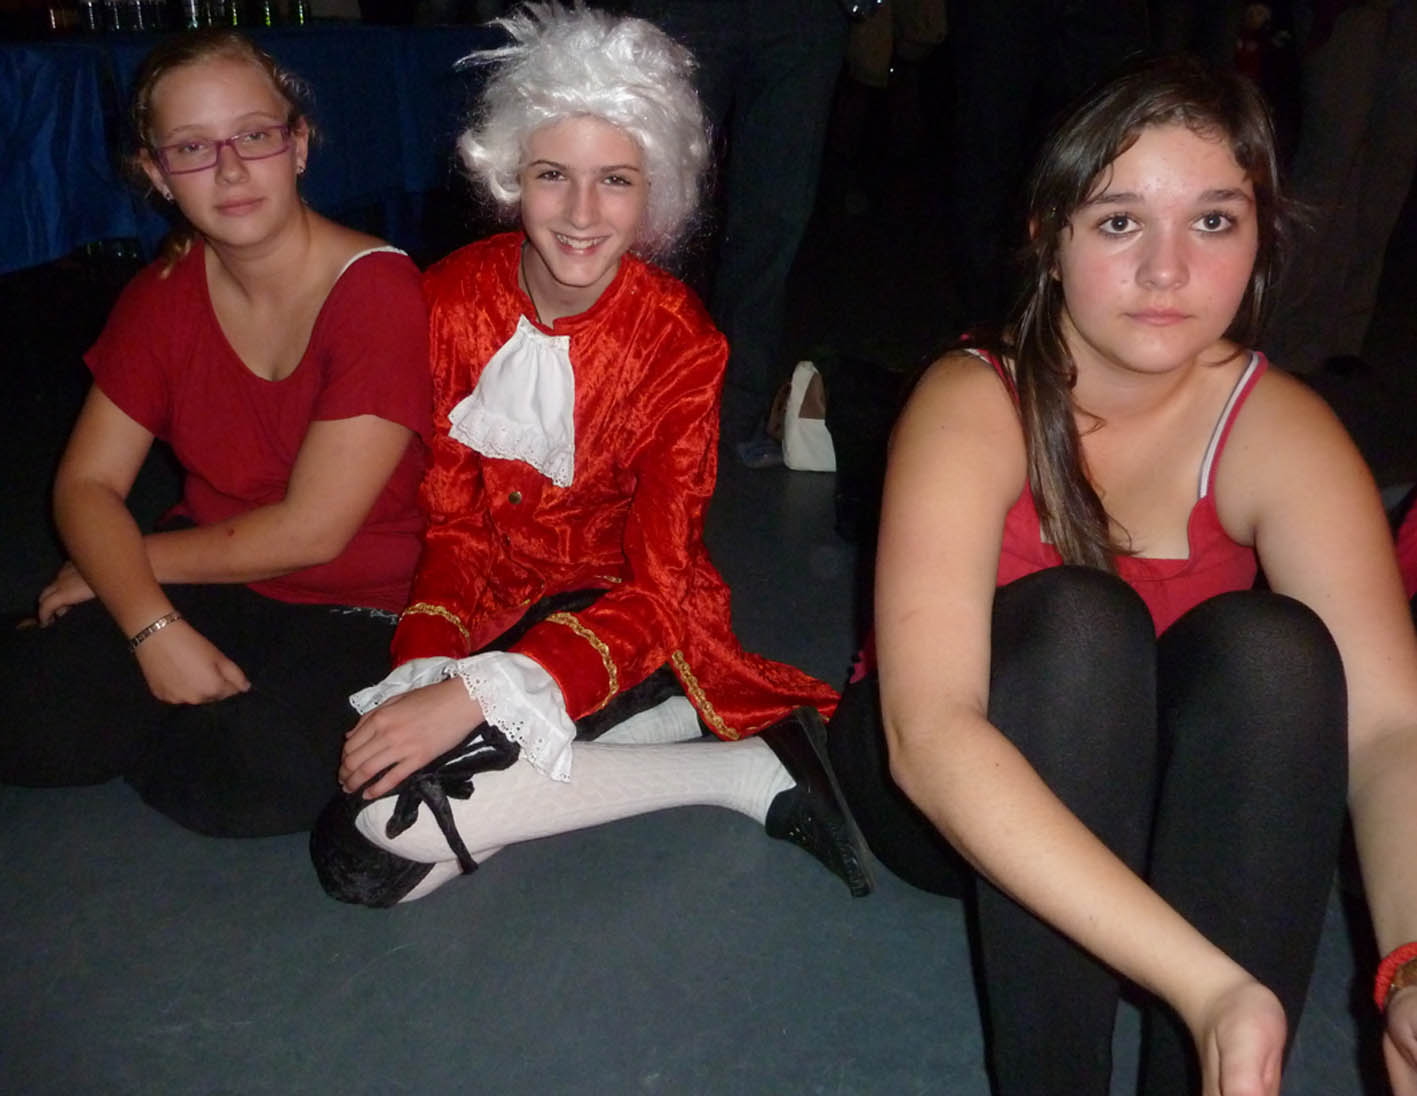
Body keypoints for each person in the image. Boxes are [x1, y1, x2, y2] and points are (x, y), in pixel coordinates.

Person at [827, 56, 1417, 1095]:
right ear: (1046, 239)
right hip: (944, 796)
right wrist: (1206, 986)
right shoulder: (972, 400)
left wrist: (1410, 967)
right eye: (1117, 222)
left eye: (1212, 221)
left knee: (1275, 652)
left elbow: (1386, 732)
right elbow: (930, 740)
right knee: (1080, 626)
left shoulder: (1279, 428)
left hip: (1149, 803)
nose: (1166, 271)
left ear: (1259, 239)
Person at [309, 2, 869, 908]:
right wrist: (429, 671)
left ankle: (720, 757)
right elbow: (452, 527)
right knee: (372, 861)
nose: (579, 214)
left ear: (655, 192)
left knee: (377, 836)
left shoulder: (681, 345)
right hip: (487, 612)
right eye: (551, 175)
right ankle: (698, 754)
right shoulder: (448, 300)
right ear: (509, 175)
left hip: (618, 626)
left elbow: (659, 585)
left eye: (615, 180)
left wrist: (479, 697)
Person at [0, 30, 433, 839]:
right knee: (29, 719)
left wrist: (115, 571)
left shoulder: (379, 291)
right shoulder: (161, 293)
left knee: (249, 781)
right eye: (193, 148)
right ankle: (136, 704)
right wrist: (151, 627)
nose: (230, 170)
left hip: (365, 599)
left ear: (297, 145)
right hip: (218, 569)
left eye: (254, 135)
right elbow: (86, 483)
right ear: (157, 174)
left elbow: (312, 532)